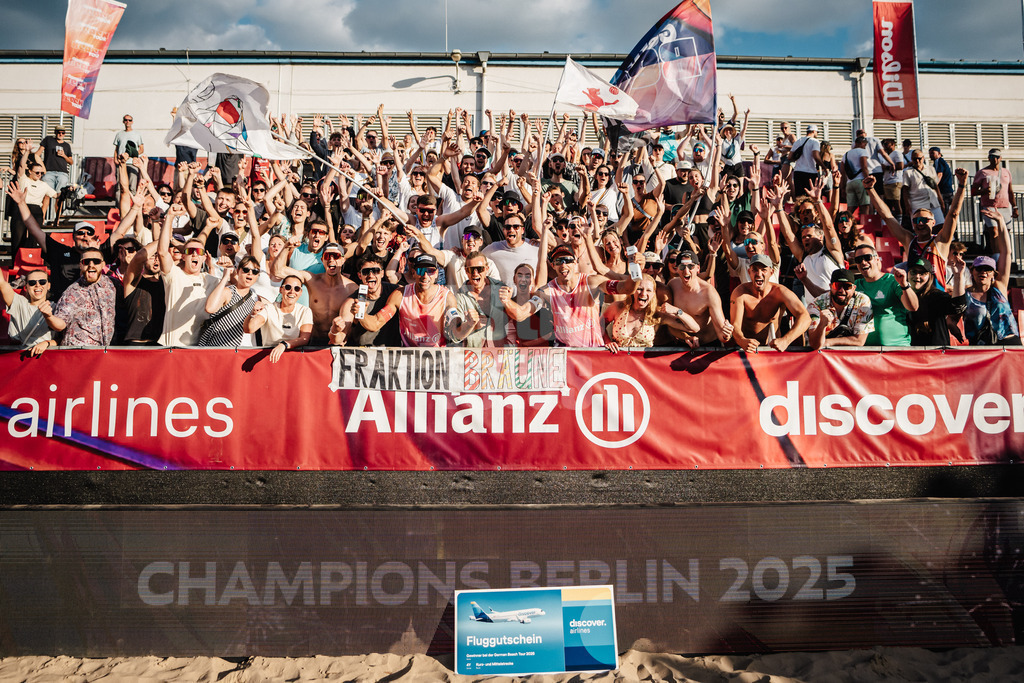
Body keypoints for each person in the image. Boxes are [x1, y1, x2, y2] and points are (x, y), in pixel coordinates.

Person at [501, 243, 638, 348]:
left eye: (567, 260)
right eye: (558, 262)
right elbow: (521, 314)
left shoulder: (592, 282)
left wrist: (635, 267)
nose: (563, 265)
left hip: (593, 352)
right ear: (553, 266)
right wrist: (506, 301)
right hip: (566, 356)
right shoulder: (546, 291)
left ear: (575, 262)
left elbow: (627, 288)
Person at [864, 168, 969, 288]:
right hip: (915, 298)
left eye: (924, 220)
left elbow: (953, 214)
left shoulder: (941, 241)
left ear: (933, 222)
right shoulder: (909, 240)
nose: (920, 223)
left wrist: (962, 185)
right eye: (916, 221)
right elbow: (887, 216)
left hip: (937, 297)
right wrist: (870, 189)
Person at [358, 252, 474, 347]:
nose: (425, 276)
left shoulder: (446, 297)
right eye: (420, 271)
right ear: (413, 273)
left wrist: (468, 325)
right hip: (409, 360)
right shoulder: (400, 295)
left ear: (436, 274)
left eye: (430, 271)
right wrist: (360, 313)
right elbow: (376, 324)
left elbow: (455, 333)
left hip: (436, 360)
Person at [271, 241, 358, 345]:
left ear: (343, 260)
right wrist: (286, 247)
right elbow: (278, 271)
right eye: (327, 256)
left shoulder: (351, 288)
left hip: (338, 343)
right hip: (313, 341)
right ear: (322, 260)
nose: (331, 260)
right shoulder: (312, 280)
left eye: (336, 256)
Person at [157, 204, 220, 346]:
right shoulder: (174, 275)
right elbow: (162, 252)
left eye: (199, 253)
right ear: (183, 257)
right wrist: (170, 217)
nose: (194, 254)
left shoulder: (212, 280)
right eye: (190, 252)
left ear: (204, 258)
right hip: (171, 347)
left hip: (200, 348)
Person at [730, 255, 811, 352]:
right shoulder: (740, 292)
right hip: (747, 350)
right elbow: (735, 326)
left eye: (764, 270)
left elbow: (805, 317)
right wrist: (742, 340)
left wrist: (785, 340)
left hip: (772, 350)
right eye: (755, 270)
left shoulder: (779, 292)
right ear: (749, 272)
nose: (759, 274)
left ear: (771, 272)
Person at [963, 210, 1020, 346]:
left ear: (993, 274)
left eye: (988, 270)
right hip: (980, 345)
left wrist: (1000, 222)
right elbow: (952, 318)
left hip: (1008, 341)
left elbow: (1006, 252)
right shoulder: (966, 293)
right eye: (979, 269)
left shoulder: (999, 287)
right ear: (972, 271)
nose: (983, 272)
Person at [603, 274, 698, 352]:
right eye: (639, 289)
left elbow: (694, 328)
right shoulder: (618, 307)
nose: (643, 294)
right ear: (632, 291)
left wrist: (677, 311)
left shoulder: (657, 314)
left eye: (648, 290)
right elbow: (599, 324)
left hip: (644, 368)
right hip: (618, 365)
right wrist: (607, 341)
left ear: (653, 294)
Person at [47, 248, 117, 347]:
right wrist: (48, 316)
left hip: (105, 353)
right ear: (80, 265)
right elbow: (61, 325)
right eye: (86, 261)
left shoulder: (113, 285)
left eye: (96, 261)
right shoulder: (72, 292)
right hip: (79, 352)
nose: (91, 265)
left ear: (103, 264)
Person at [850, 244, 918, 347]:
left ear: (877, 259)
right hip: (866, 351)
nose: (863, 262)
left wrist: (904, 285)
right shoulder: (856, 285)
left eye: (867, 257)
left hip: (896, 347)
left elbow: (913, 307)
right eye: (858, 260)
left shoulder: (892, 280)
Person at [330, 254, 402, 346]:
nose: (371, 275)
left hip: (392, 354)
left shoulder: (396, 292)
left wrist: (362, 316)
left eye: (375, 271)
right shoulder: (352, 302)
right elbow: (338, 340)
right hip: (363, 355)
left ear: (382, 274)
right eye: (366, 272)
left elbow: (375, 325)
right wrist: (335, 331)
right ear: (360, 275)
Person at [666, 250, 734, 347]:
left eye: (690, 266)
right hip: (684, 343)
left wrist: (727, 334)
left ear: (698, 268)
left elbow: (721, 334)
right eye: (682, 266)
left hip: (708, 346)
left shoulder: (708, 293)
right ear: (677, 269)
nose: (686, 271)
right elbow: (670, 324)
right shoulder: (673, 285)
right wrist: (685, 337)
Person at [453, 252, 517, 347]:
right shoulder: (459, 297)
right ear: (466, 271)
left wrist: (509, 302)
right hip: (473, 355)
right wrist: (472, 326)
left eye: (480, 269)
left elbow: (516, 319)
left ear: (487, 269)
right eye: (471, 270)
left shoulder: (501, 288)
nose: (475, 273)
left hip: (498, 353)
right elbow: (456, 336)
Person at [244, 275, 313, 362]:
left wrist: (284, 345)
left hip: (294, 360)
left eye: (297, 289)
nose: (292, 291)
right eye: (288, 287)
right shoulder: (269, 308)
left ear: (300, 292)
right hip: (269, 358)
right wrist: (252, 313)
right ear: (281, 289)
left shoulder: (305, 311)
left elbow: (304, 339)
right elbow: (249, 329)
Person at [197, 255, 262, 347]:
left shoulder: (255, 298)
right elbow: (210, 308)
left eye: (255, 272)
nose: (250, 273)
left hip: (237, 350)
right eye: (246, 270)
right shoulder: (229, 291)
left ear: (257, 276)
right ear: (238, 271)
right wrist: (225, 277)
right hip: (215, 346)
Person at [806, 269, 874, 349]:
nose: (842, 290)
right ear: (830, 286)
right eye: (837, 286)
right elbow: (814, 344)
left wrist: (827, 342)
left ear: (854, 288)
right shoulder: (816, 304)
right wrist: (822, 325)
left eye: (847, 286)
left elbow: (859, 341)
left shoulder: (862, 301)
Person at [906, 258, 967, 346]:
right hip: (907, 353)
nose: (917, 276)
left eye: (922, 273)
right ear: (907, 274)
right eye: (913, 272)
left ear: (930, 276)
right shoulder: (900, 295)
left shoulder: (935, 296)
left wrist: (958, 277)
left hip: (936, 353)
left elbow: (957, 307)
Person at [117, 241, 166, 345]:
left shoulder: (168, 283)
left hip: (161, 344)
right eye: (152, 256)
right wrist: (165, 238)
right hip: (136, 343)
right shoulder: (134, 281)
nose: (156, 259)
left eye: (159, 256)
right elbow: (139, 258)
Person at [0, 267, 56, 356]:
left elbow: (61, 339)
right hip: (20, 358)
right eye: (32, 283)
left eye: (42, 282)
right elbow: (2, 284)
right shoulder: (19, 303)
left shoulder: (57, 307)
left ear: (48, 285)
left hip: (48, 359)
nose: (37, 285)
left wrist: (47, 343)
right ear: (26, 287)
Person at [972, 149, 1018, 231]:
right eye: (992, 157)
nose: (995, 159)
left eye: (997, 157)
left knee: (1005, 231)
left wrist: (1015, 207)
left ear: (1001, 158)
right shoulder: (982, 172)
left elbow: (1010, 191)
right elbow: (973, 191)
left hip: (1004, 206)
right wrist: (984, 191)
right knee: (994, 231)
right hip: (989, 206)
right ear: (988, 158)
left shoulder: (1006, 172)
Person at [902, 150, 944, 224]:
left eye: (919, 158)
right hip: (918, 205)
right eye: (915, 159)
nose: (917, 161)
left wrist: (941, 202)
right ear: (912, 159)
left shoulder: (931, 169)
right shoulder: (908, 172)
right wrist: (907, 206)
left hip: (933, 203)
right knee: (921, 227)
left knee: (940, 225)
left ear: (923, 158)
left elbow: (936, 187)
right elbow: (905, 190)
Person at [36, 126, 73, 202]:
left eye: (63, 133)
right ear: (55, 132)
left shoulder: (67, 145)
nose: (60, 134)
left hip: (62, 173)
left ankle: (57, 214)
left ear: (65, 134)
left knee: (60, 197)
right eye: (58, 132)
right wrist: (41, 167)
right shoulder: (48, 140)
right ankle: (42, 214)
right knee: (46, 195)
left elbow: (71, 162)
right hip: (48, 172)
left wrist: (64, 155)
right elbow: (37, 154)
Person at [788, 124, 822, 197]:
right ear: (813, 131)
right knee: (811, 196)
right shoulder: (815, 141)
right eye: (817, 132)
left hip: (798, 171)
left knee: (799, 196)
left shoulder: (798, 141)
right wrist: (824, 167)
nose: (817, 134)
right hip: (810, 171)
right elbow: (816, 156)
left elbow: (790, 157)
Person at [113, 114, 144, 193]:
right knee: (119, 187)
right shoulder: (119, 134)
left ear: (132, 122)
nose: (128, 122)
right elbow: (116, 149)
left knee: (132, 187)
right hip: (121, 163)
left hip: (132, 163)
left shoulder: (137, 134)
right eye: (126, 120)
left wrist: (132, 154)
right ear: (123, 121)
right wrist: (115, 159)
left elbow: (141, 149)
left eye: (129, 120)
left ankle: (131, 205)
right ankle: (118, 205)